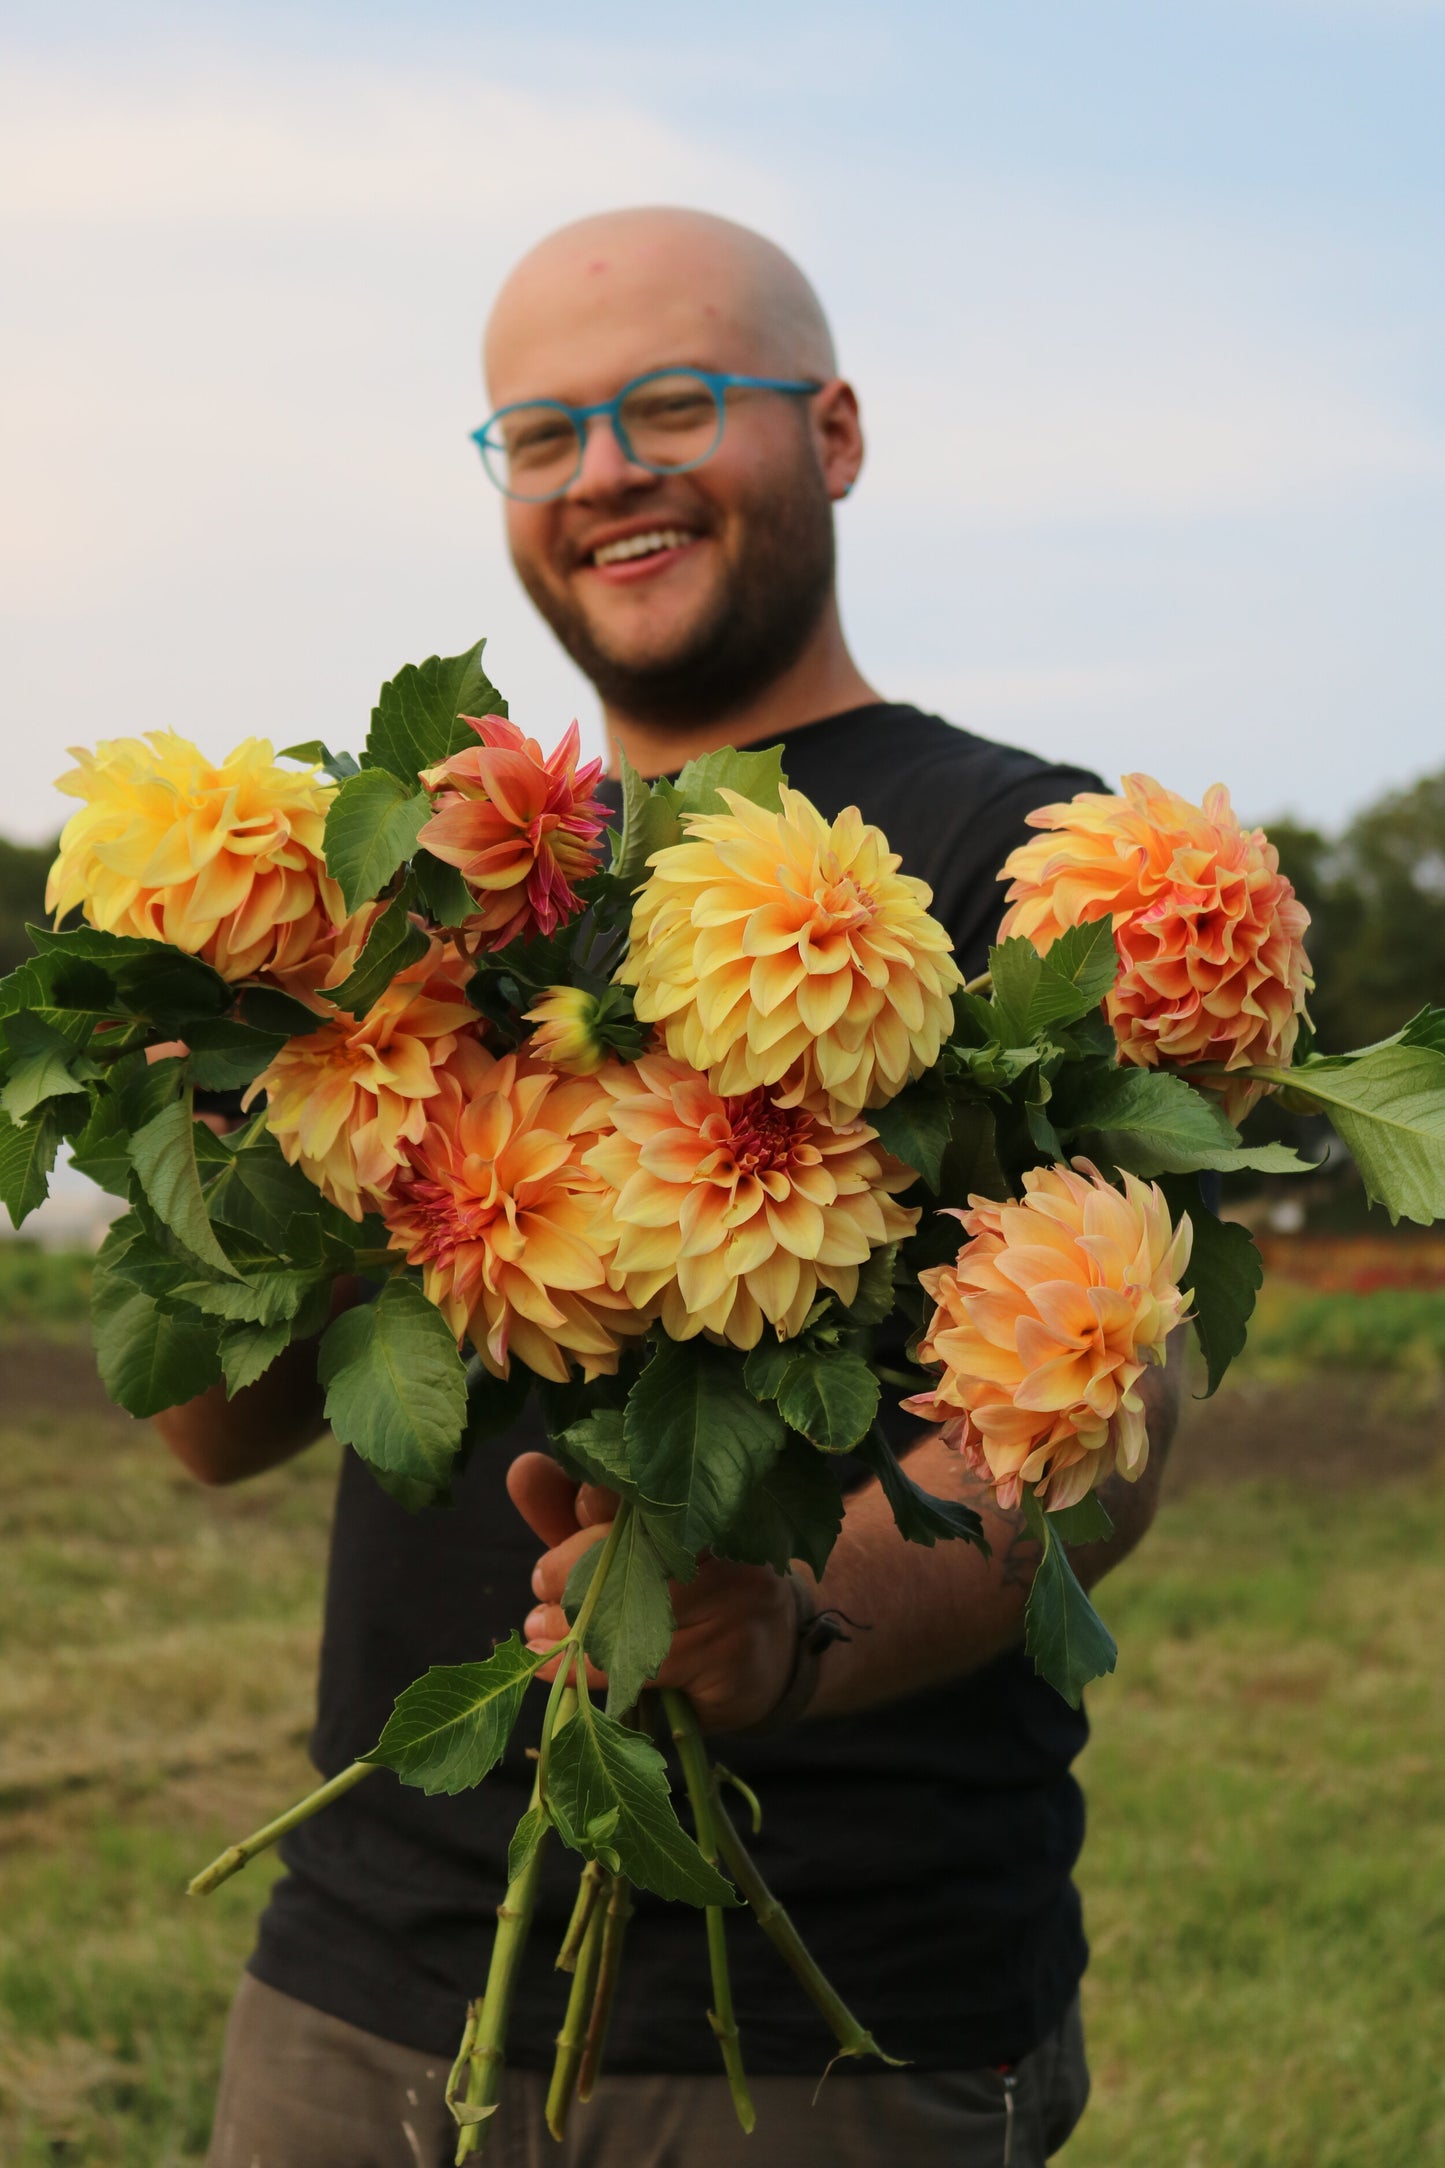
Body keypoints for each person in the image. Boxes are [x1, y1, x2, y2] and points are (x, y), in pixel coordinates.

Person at [165, 207, 1183, 2168]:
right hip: (364, 1980)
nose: (603, 469)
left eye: (671, 403)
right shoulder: (451, 890)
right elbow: (221, 1434)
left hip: (820, 2026)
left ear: (837, 433)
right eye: (539, 433)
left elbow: (1109, 1425)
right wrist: (224, 1084)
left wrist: (793, 1620)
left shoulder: (1029, 860)